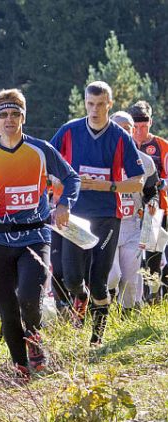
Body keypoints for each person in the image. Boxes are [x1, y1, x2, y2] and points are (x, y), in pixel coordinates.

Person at [0, 88, 80, 377]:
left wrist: (64, 204)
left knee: (28, 297)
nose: (9, 120)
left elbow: (71, 178)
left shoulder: (40, 150)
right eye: (3, 115)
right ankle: (20, 365)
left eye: (15, 114)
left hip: (35, 236)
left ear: (23, 117)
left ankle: (35, 339)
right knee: (7, 308)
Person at [51, 81, 144, 346]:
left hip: (107, 217)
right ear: (85, 103)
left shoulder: (120, 136)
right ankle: (80, 297)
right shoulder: (69, 131)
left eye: (100, 104)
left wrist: (106, 186)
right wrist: (58, 182)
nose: (95, 110)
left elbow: (137, 181)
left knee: (100, 282)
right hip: (74, 215)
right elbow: (47, 166)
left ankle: (96, 339)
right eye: (90, 104)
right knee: (71, 279)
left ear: (109, 105)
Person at [106, 111, 158, 313]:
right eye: (118, 129)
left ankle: (127, 317)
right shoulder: (102, 158)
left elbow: (151, 192)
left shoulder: (145, 162)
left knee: (131, 279)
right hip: (107, 226)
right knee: (112, 276)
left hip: (133, 226)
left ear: (132, 131)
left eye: (127, 129)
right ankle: (103, 306)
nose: (123, 133)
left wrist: (152, 203)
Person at [128, 100, 168, 302]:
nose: (139, 131)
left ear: (151, 122)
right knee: (132, 256)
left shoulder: (161, 146)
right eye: (135, 127)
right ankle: (135, 299)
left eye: (144, 127)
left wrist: (161, 184)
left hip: (156, 209)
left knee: (154, 255)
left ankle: (154, 296)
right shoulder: (125, 143)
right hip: (130, 210)